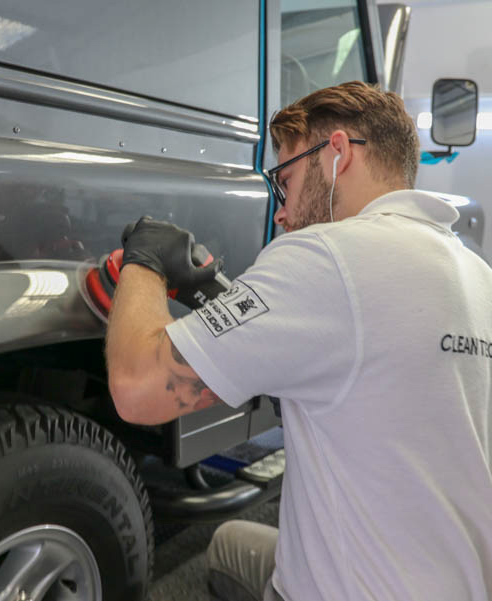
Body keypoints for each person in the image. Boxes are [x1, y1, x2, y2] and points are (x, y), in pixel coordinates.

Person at [105, 81, 492, 601]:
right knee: (229, 541)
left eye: (285, 180)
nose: (282, 211)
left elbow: (138, 385)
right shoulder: (476, 271)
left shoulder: (328, 254)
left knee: (220, 551)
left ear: (336, 153)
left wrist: (144, 262)